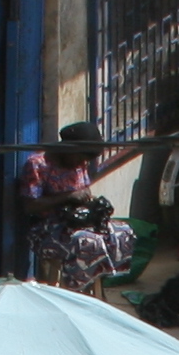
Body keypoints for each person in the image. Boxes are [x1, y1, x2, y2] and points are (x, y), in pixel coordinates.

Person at [15, 123, 135, 296]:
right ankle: (75, 293)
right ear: (68, 149)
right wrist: (68, 197)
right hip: (46, 229)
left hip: (76, 222)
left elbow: (83, 191)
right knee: (88, 243)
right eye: (80, 157)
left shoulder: (79, 163)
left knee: (123, 232)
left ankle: (99, 285)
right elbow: (30, 206)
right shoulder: (37, 164)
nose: (83, 163)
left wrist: (93, 205)